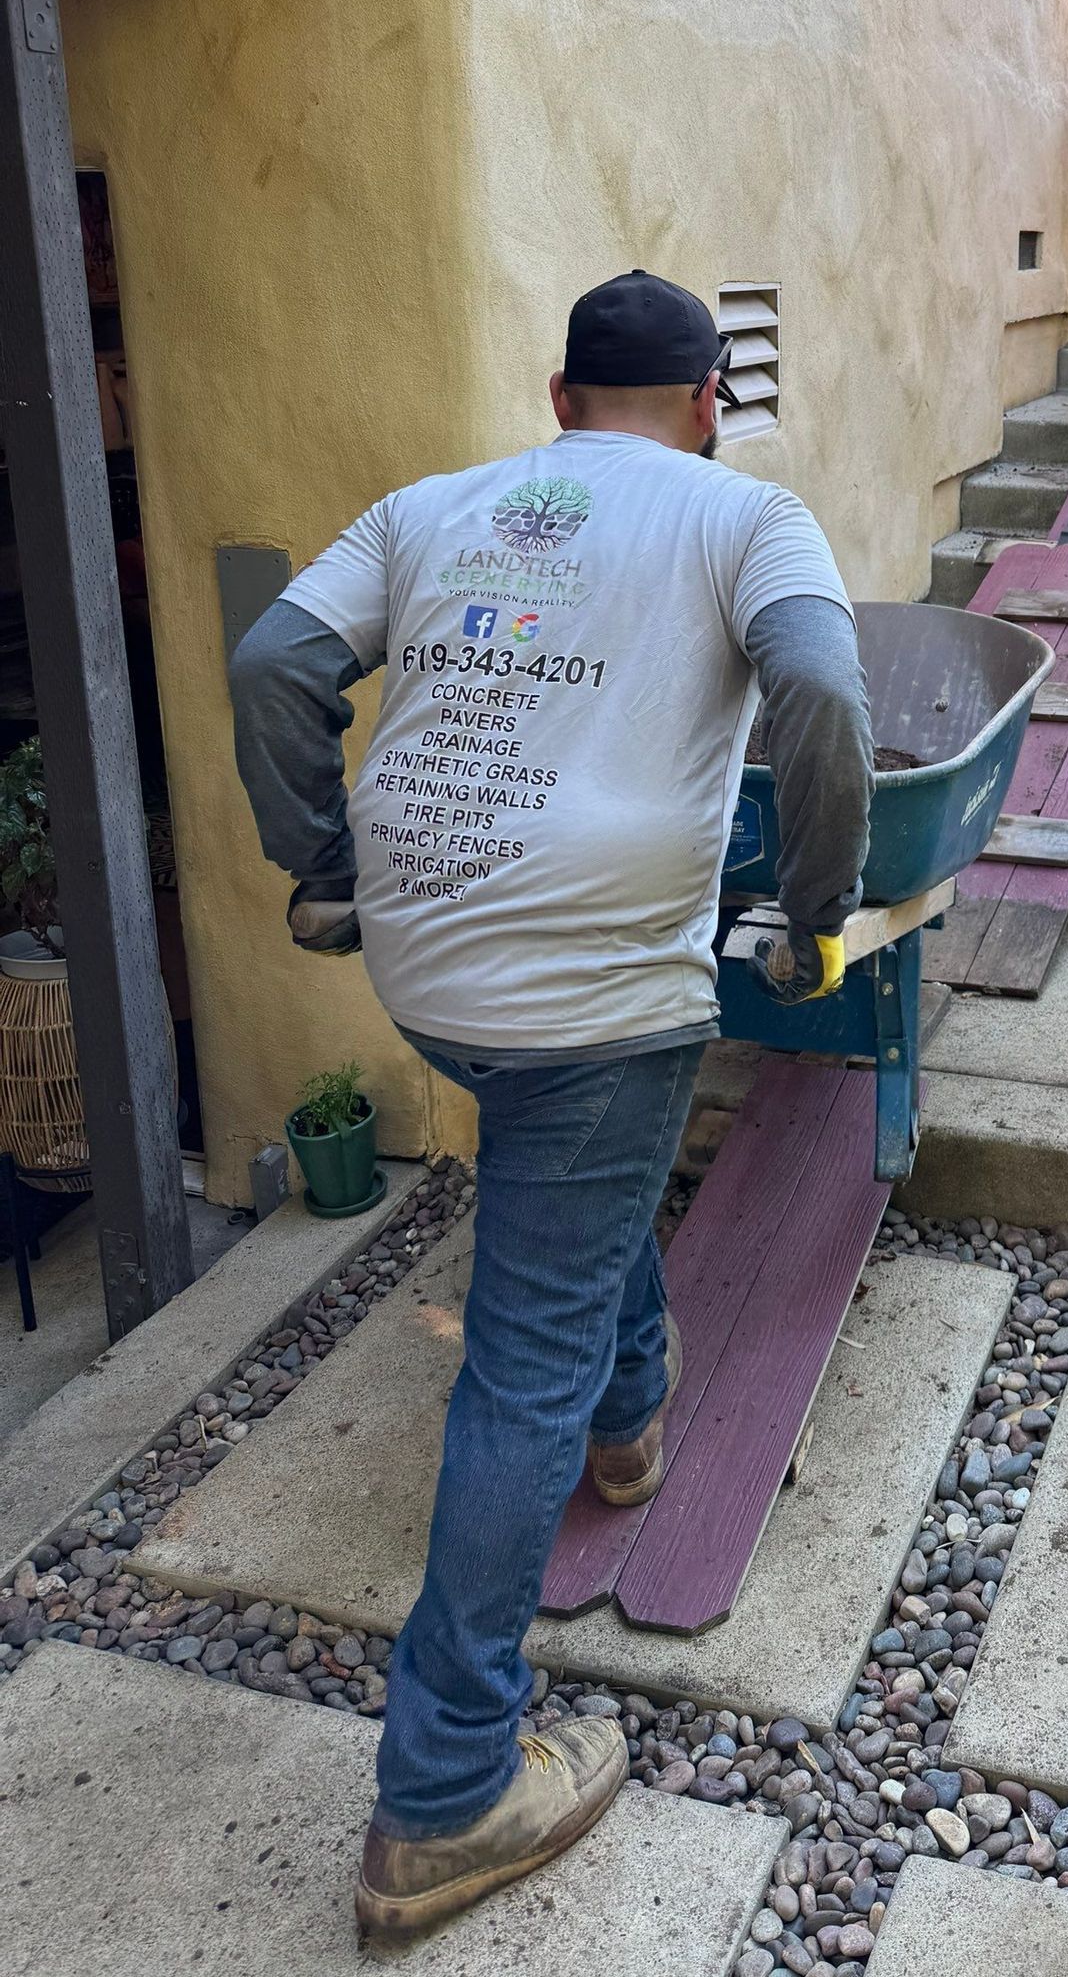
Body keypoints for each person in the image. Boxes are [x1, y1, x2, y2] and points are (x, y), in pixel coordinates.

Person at [228, 268, 873, 1938]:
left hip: (428, 972)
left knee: (572, 1208)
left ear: (563, 396)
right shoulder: (747, 514)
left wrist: (320, 862)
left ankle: (634, 1419)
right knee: (520, 1356)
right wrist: (810, 917)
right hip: (592, 1001)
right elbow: (823, 703)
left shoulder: (434, 505)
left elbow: (271, 668)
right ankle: (442, 1796)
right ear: (706, 402)